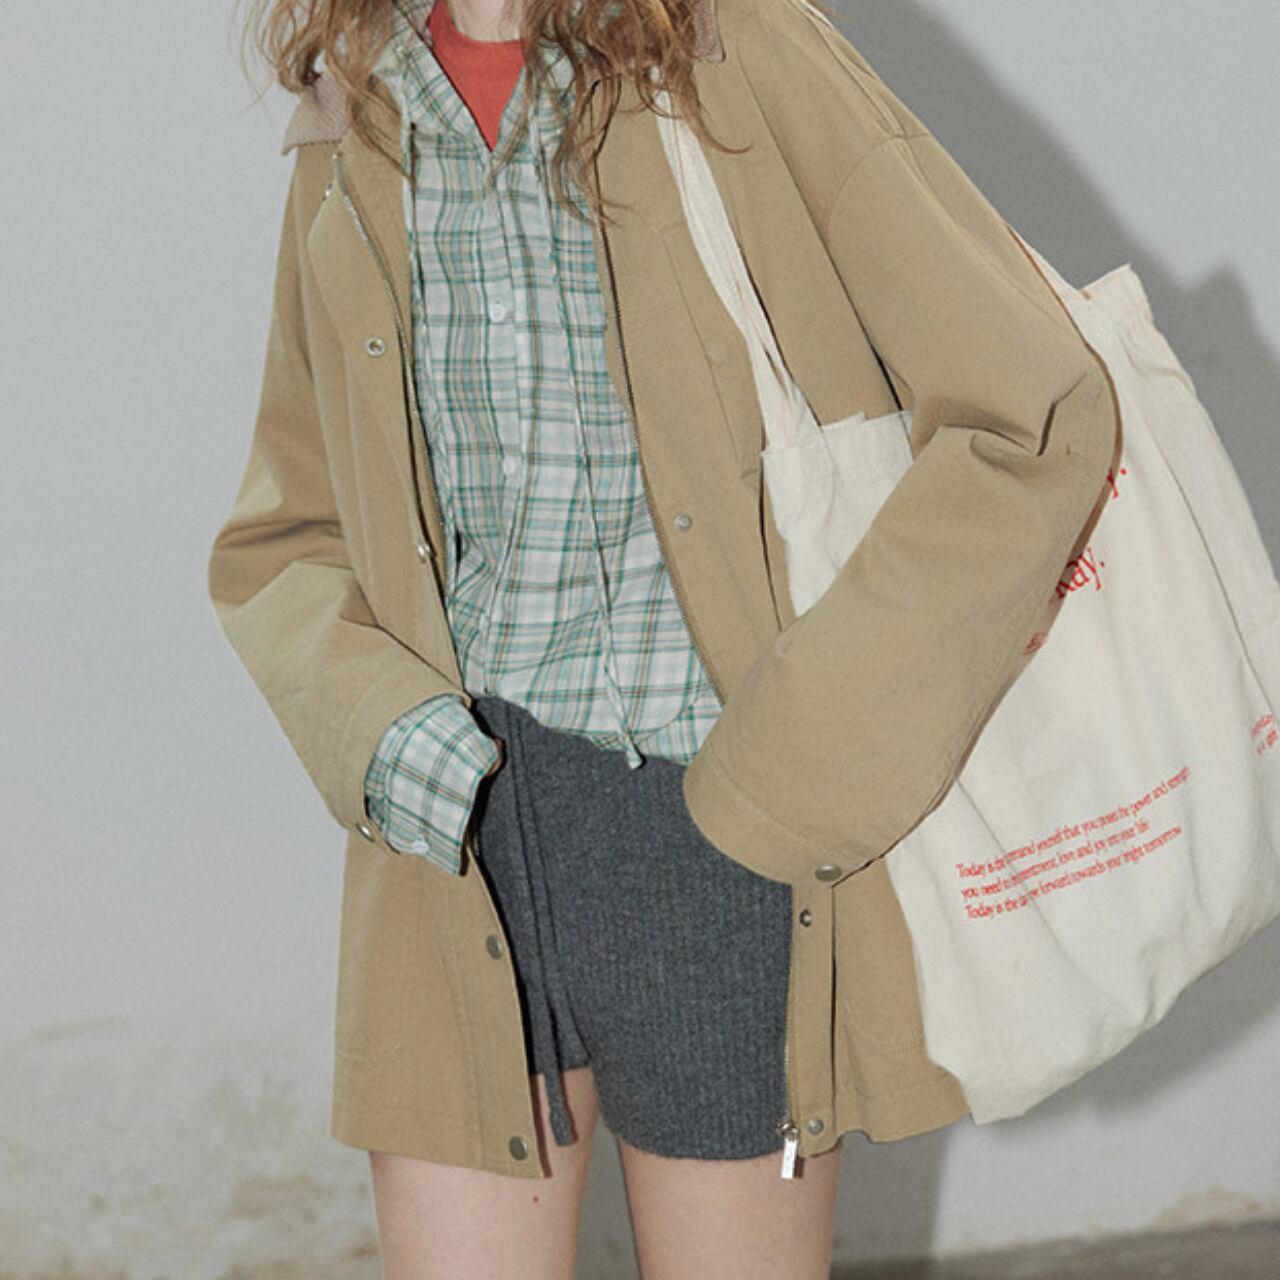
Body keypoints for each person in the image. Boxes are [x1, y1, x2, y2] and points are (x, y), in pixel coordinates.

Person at [209, 0, 1120, 1274]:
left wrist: (805, 754)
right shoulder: (356, 104)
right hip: (450, 847)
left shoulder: (731, 46)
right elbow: (289, 527)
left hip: (716, 846)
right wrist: (379, 731)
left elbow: (1034, 414)